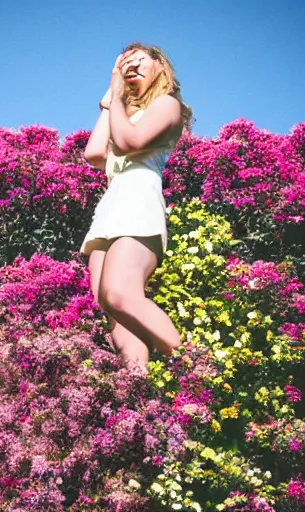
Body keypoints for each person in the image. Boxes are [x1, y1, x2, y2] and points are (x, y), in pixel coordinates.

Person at [81, 42, 193, 365]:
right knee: (111, 307)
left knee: (120, 293)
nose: (131, 67)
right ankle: (136, 387)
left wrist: (117, 99)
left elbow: (130, 142)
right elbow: (95, 154)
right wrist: (111, 98)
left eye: (139, 60)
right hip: (112, 207)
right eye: (124, 63)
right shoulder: (122, 115)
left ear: (160, 66)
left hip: (138, 198)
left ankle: (195, 370)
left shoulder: (166, 105)